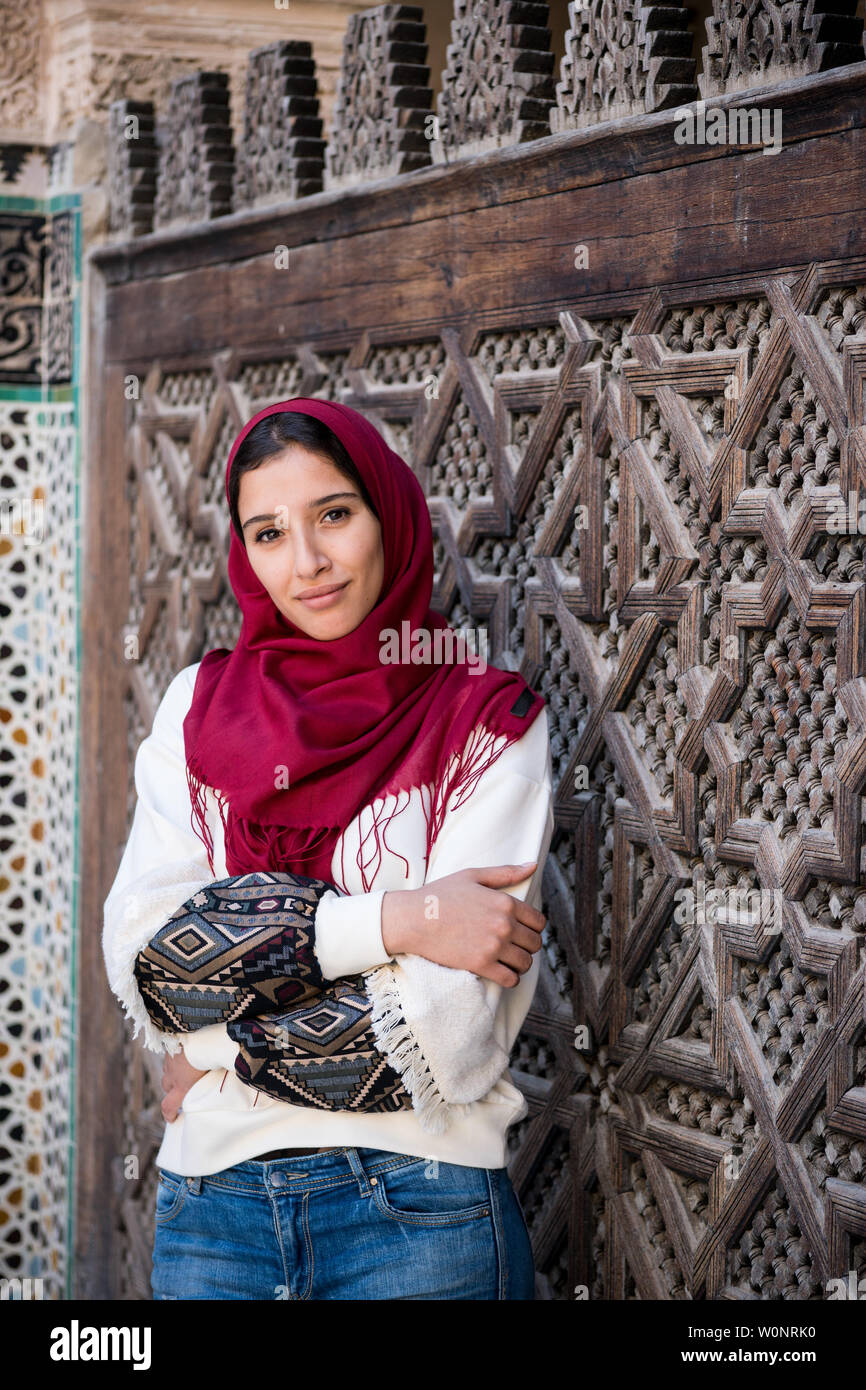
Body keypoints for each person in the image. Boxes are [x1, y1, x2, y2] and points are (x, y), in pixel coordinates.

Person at [102, 397, 555, 1300]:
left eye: (334, 516)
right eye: (268, 533)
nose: (305, 564)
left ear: (388, 515)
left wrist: (213, 1050)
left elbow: (445, 1033)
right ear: (244, 552)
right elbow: (148, 956)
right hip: (212, 1222)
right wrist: (400, 918)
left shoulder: (485, 722)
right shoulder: (199, 709)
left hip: (418, 1219)